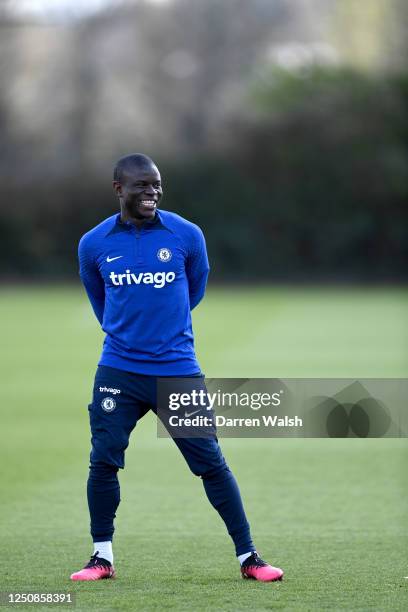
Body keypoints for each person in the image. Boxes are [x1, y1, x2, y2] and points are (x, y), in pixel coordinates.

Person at [71, 153, 283, 583]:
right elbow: (101, 301)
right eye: (141, 186)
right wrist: (127, 332)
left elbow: (195, 289)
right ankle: (101, 557)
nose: (152, 192)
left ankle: (250, 558)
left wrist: (165, 332)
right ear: (119, 190)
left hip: (176, 370)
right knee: (103, 461)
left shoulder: (186, 234)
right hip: (118, 372)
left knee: (211, 462)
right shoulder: (93, 243)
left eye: (156, 185)